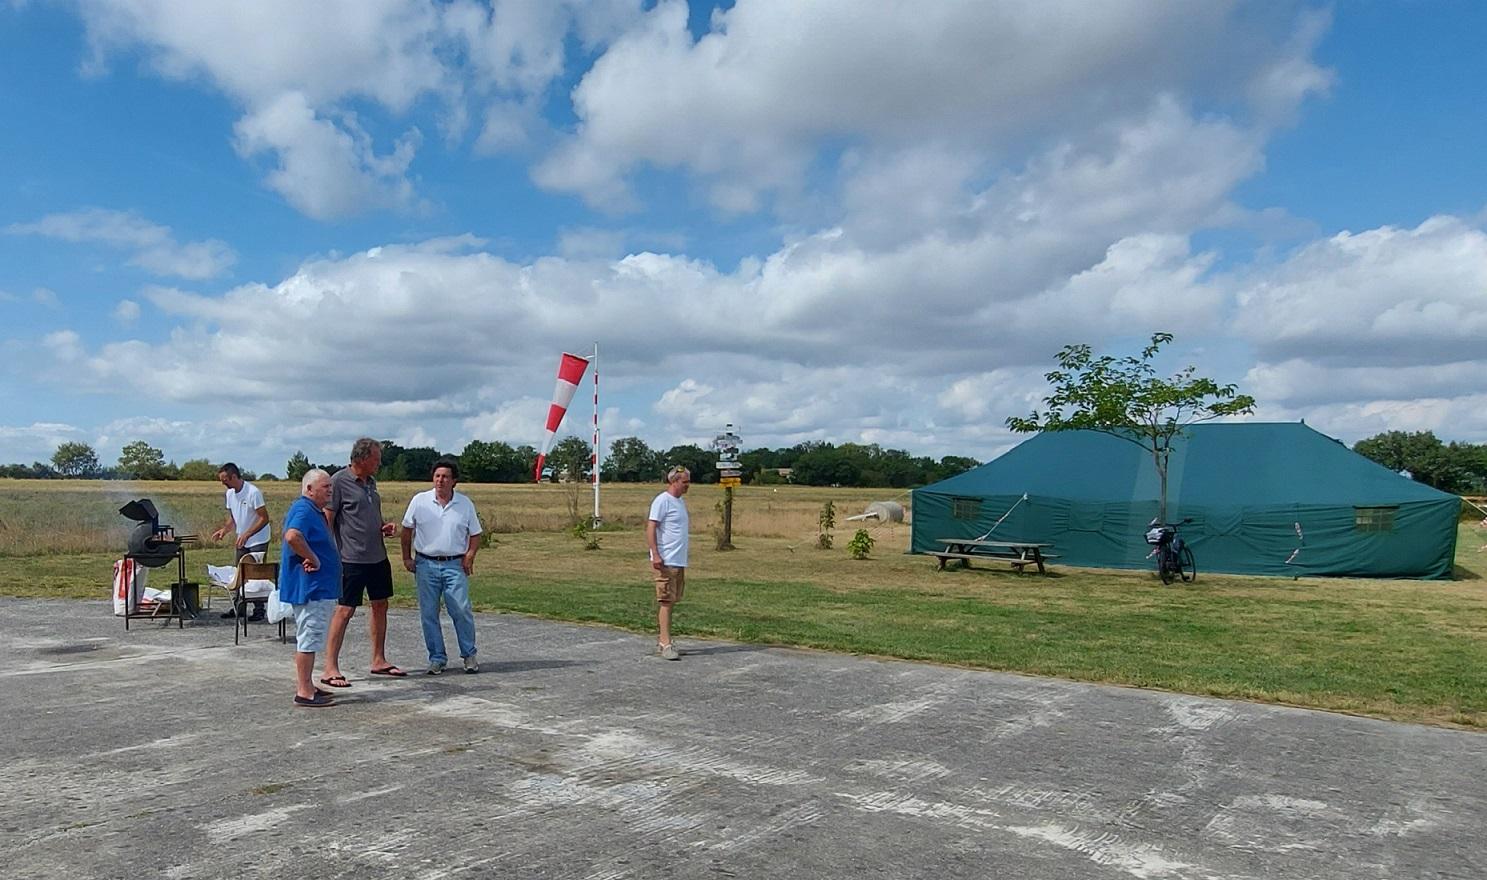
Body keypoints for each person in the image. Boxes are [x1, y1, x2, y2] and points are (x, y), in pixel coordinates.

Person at [319, 438, 404, 688]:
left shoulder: (371, 483)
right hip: (350, 558)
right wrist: (328, 556)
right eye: (376, 459)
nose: (379, 463)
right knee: (345, 609)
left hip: (377, 555)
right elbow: (328, 521)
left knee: (380, 605)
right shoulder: (338, 482)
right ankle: (330, 667)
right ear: (362, 458)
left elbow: (365, 515)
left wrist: (383, 526)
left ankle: (379, 659)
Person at [400, 458, 483, 675]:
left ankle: (469, 655)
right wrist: (406, 558)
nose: (440, 480)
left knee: (461, 609)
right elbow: (407, 530)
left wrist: (470, 555)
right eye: (437, 476)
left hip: (454, 564)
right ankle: (437, 658)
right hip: (425, 563)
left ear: (454, 481)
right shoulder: (420, 500)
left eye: (445, 477)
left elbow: (475, 533)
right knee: (429, 613)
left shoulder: (464, 504)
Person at [280, 469, 341, 707]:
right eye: (325, 487)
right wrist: (313, 558)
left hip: (319, 587)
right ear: (309, 489)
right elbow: (293, 536)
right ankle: (304, 690)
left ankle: (308, 682)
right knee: (309, 635)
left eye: (330, 487)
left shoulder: (313, 511)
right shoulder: (304, 509)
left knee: (312, 635)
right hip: (311, 587)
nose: (330, 490)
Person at [211, 462, 273, 622]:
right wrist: (224, 530)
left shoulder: (253, 492)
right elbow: (234, 517)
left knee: (256, 575)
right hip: (242, 538)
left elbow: (264, 518)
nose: (222, 483)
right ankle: (239, 607)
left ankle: (259, 610)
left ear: (234, 476)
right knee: (239, 573)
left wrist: (248, 533)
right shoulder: (230, 494)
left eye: (225, 479)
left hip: (258, 539)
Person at [646, 465, 691, 661]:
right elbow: (651, 527)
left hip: (678, 560)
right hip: (665, 560)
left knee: (672, 601)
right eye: (685, 482)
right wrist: (656, 554)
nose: (688, 485)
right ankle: (665, 643)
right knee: (665, 601)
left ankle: (665, 639)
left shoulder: (680, 502)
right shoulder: (662, 501)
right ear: (674, 481)